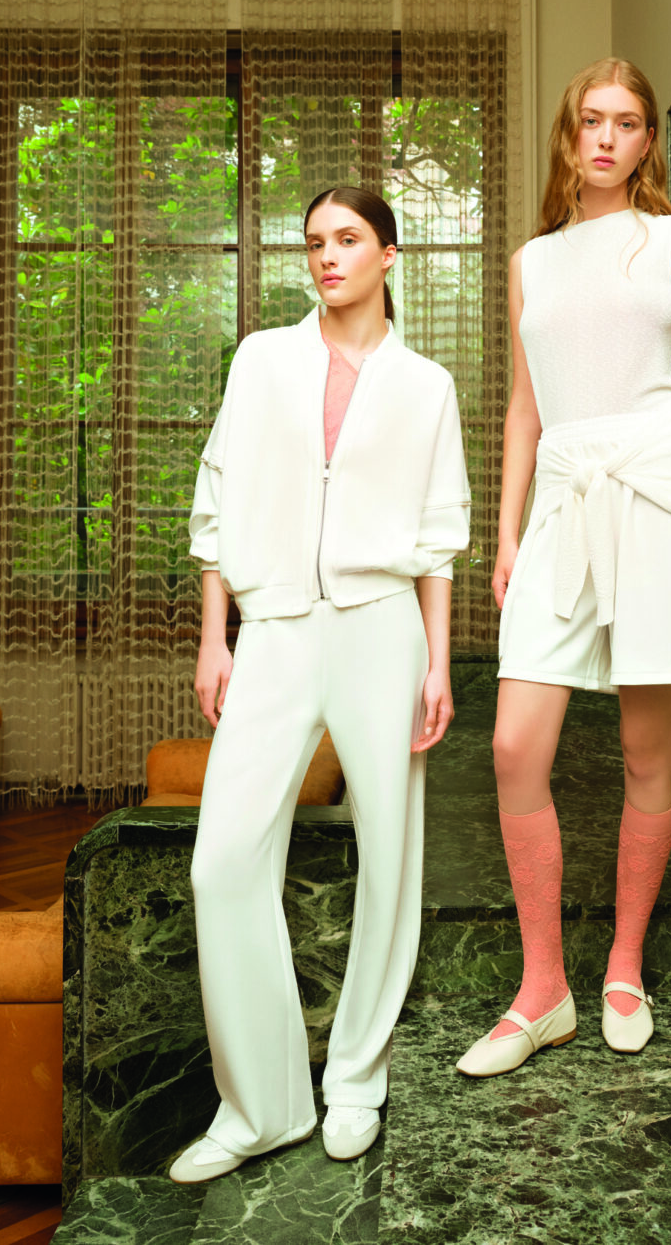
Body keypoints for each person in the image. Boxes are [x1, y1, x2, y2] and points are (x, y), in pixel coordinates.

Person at [456, 58, 671, 1077]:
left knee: (644, 750)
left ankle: (623, 967)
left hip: (657, 494)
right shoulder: (531, 261)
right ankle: (543, 990)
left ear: (647, 141)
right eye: (592, 120)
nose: (607, 139)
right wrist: (506, 534)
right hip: (562, 503)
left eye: (627, 123)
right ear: (568, 133)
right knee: (513, 748)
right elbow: (524, 407)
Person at [170, 186, 470, 1182]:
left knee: (390, 856)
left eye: (347, 239)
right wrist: (216, 637)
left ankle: (355, 1080)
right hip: (276, 628)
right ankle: (260, 1105)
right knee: (222, 861)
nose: (327, 257)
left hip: (384, 628)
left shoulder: (425, 385)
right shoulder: (263, 359)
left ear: (389, 254)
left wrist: (437, 660)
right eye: (313, 242)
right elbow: (216, 499)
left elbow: (439, 535)